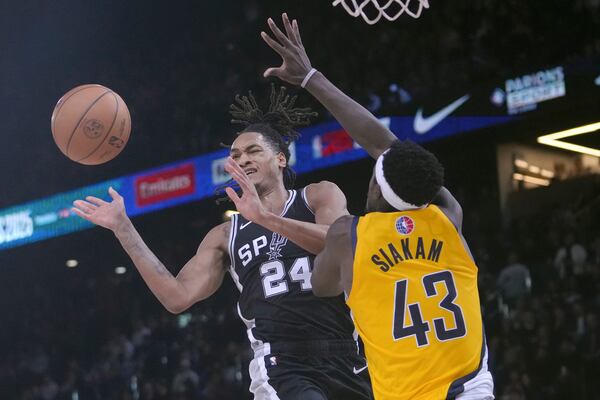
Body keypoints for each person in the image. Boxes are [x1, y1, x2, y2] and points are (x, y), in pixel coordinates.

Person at [71, 85, 372, 400]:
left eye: (253, 151)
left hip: (346, 353)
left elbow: (340, 244)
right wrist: (124, 229)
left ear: (281, 158)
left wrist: (268, 219)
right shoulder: (226, 235)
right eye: (235, 156)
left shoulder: (319, 196)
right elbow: (177, 297)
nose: (242, 159)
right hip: (281, 363)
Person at [260, 13, 494, 400]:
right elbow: (385, 146)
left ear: (376, 191)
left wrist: (308, 78)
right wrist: (309, 77)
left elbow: (322, 285)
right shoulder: (448, 217)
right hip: (469, 389)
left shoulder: (348, 236)